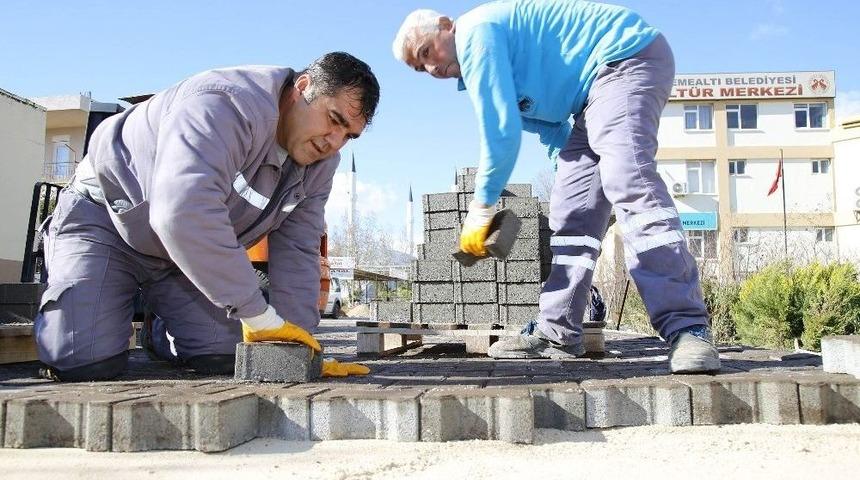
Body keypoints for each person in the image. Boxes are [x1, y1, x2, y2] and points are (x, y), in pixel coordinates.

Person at [392, 0, 720, 372]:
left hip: (623, 60)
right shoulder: (491, 69)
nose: (431, 68)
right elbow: (552, 131)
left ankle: (688, 327)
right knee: (571, 209)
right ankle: (557, 330)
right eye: (420, 68)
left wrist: (481, 208)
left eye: (426, 52)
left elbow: (501, 133)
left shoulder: (476, 33)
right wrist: (577, 185)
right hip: (589, 100)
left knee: (628, 177)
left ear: (445, 24)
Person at [35, 52, 379, 381]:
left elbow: (299, 247)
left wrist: (300, 347)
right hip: (107, 223)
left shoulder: (321, 162)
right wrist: (256, 314)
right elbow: (181, 212)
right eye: (334, 120)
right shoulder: (225, 103)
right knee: (81, 360)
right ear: (303, 87)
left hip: (185, 258)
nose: (334, 141)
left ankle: (159, 327)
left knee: (225, 355)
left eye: (349, 135)